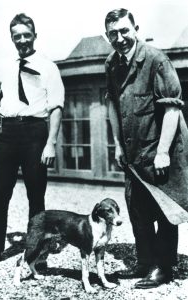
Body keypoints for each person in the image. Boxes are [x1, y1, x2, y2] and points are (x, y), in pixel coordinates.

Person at [0, 13, 64, 268]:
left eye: (26, 35)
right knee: (0, 195)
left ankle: (35, 253)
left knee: (36, 195)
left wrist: (50, 143)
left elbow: (56, 107)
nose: (22, 40)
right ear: (12, 38)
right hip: (6, 134)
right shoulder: (6, 64)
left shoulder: (48, 67)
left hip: (35, 133)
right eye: (17, 36)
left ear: (35, 35)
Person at [105, 8, 188, 289]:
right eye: (113, 33)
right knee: (137, 208)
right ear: (107, 36)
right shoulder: (111, 64)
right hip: (133, 151)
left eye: (124, 31)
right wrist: (117, 145)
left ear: (135, 28)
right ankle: (144, 262)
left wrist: (163, 151)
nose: (120, 38)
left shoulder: (156, 59)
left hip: (161, 148)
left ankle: (163, 267)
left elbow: (172, 109)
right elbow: (113, 106)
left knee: (164, 208)